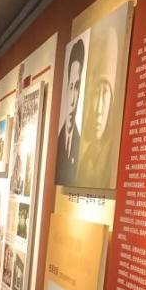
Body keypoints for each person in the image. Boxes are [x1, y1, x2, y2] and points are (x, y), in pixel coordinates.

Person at [57, 38, 85, 186]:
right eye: (71, 86)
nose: (73, 100)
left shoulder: (81, 144)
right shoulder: (58, 142)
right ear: (67, 87)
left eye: (77, 87)